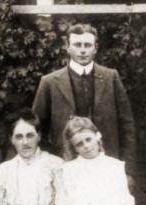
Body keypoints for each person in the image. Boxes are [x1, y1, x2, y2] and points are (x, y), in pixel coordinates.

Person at [32, 23, 135, 177]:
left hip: (107, 164)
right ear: (68, 47)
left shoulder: (111, 77)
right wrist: (54, 161)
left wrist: (128, 171)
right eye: (77, 44)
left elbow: (127, 127)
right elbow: (37, 130)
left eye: (87, 45)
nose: (82, 50)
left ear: (95, 48)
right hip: (66, 166)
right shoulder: (50, 82)